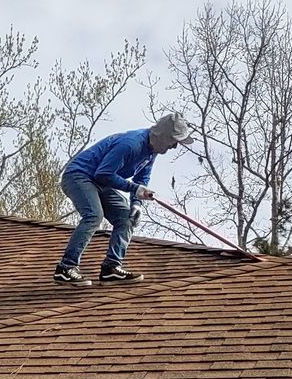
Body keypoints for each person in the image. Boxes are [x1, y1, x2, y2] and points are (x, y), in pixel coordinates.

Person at [54, 113, 194, 284]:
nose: (174, 147)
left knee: (127, 218)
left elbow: (141, 180)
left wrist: (137, 204)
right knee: (94, 215)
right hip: (79, 176)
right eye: (174, 141)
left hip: (101, 182)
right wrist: (134, 189)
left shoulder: (152, 152)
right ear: (163, 136)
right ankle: (66, 268)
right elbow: (104, 173)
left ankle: (111, 268)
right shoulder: (131, 144)